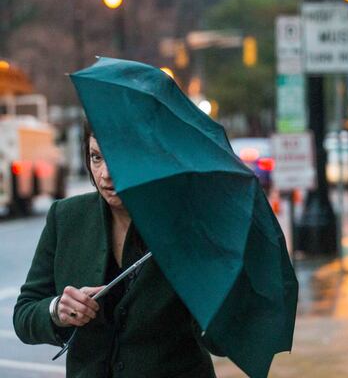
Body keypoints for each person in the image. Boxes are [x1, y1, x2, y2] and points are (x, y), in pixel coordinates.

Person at [13, 122, 221, 377]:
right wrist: (57, 310)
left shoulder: (186, 225)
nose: (105, 174)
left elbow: (218, 339)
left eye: (119, 157)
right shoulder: (66, 217)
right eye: (96, 157)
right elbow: (24, 314)